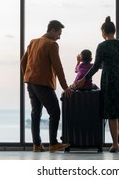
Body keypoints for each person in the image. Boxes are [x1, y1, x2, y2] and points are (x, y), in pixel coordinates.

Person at [75, 16, 119, 153]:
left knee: (111, 113)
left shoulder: (102, 46)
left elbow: (95, 67)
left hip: (109, 79)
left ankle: (114, 144)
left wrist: (84, 79)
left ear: (104, 32)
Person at [20, 20, 73, 153]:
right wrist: (65, 86)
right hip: (43, 84)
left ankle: (37, 145)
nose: (59, 37)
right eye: (59, 33)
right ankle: (53, 143)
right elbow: (58, 67)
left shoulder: (33, 42)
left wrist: (27, 75)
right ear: (53, 30)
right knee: (55, 112)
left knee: (35, 113)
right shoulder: (51, 45)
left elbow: (23, 61)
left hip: (30, 83)